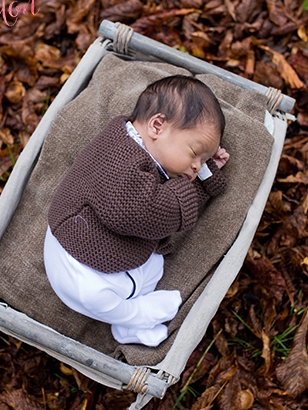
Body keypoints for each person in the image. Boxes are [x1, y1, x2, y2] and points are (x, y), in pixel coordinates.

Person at [44, 75, 230, 346]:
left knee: (153, 265)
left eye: (202, 162)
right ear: (157, 125)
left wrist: (205, 173)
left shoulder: (154, 155)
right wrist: (198, 181)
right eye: (195, 153)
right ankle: (133, 316)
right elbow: (146, 212)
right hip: (74, 258)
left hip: (106, 246)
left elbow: (172, 201)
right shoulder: (120, 154)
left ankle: (128, 323)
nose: (195, 166)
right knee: (93, 295)